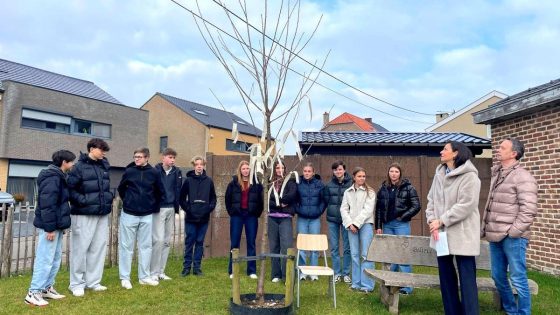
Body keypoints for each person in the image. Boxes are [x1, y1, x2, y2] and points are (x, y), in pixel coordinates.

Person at [481, 138, 538, 315]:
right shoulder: (497, 173)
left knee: (518, 278)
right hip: (495, 235)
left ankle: (523, 312)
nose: (498, 149)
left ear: (514, 153)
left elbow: (528, 210)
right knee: (497, 277)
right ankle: (511, 310)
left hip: (513, 237)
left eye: (502, 147)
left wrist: (513, 232)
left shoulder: (523, 176)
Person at [426, 141, 481, 315]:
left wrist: (441, 220)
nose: (441, 151)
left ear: (456, 153)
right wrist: (431, 221)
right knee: (446, 277)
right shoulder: (439, 174)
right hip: (440, 234)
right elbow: (431, 200)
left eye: (445, 149)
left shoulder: (470, 176)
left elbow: (467, 204)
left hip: (462, 235)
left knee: (467, 280)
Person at [25, 150, 76, 306]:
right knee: (45, 258)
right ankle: (33, 293)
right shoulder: (52, 178)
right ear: (64, 162)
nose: (73, 164)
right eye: (71, 161)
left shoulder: (60, 176)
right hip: (50, 226)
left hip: (57, 225)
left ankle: (46, 288)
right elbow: (47, 204)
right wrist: (49, 228)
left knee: (54, 259)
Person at [67, 138, 113, 297]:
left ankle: (93, 282)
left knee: (98, 248)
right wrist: (84, 201)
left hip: (102, 214)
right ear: (92, 149)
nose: (104, 153)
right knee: (80, 250)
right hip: (83, 214)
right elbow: (70, 190)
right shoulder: (78, 167)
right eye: (102, 150)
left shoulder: (104, 166)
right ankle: (76, 284)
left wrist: (109, 197)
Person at [117, 147, 164, 289]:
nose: (136, 159)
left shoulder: (154, 173)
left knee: (146, 247)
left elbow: (159, 191)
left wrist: (151, 206)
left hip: (146, 215)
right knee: (126, 247)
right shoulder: (129, 171)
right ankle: (125, 278)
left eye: (140, 156)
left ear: (147, 158)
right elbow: (121, 188)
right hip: (129, 214)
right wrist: (128, 201)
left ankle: (144, 277)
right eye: (135, 156)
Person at [375, 162, 421, 295]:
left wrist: (403, 217)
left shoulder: (408, 188)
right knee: (391, 255)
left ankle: (407, 287)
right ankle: (393, 283)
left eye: (396, 171)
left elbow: (416, 205)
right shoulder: (383, 188)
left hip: (401, 224)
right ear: (388, 173)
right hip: (387, 225)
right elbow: (378, 209)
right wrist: (378, 226)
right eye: (391, 171)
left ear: (400, 173)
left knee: (403, 255)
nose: (393, 174)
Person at [225, 160, 263, 279]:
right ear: (240, 170)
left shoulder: (257, 184)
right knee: (234, 243)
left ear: (250, 170)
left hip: (251, 216)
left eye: (247, 168)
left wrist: (256, 213)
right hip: (237, 216)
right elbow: (227, 199)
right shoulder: (233, 183)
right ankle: (233, 270)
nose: (246, 170)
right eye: (243, 169)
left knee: (251, 242)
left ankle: (251, 271)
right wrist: (232, 212)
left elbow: (261, 201)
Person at [340, 167, 375, 293]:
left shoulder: (370, 192)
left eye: (364, 176)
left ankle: (367, 285)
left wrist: (356, 224)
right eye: (359, 176)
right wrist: (350, 224)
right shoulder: (347, 192)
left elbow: (368, 210)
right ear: (354, 177)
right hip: (351, 226)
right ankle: (356, 283)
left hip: (365, 225)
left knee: (366, 255)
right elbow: (343, 209)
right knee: (354, 255)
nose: (362, 178)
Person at [180, 156, 216, 276]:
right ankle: (186, 268)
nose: (199, 166)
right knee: (189, 242)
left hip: (203, 218)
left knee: (200, 242)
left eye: (201, 164)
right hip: (191, 217)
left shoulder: (209, 181)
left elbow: (213, 199)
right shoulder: (188, 181)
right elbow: (181, 198)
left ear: (204, 166)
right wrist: (188, 209)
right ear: (194, 166)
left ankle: (197, 268)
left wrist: (208, 209)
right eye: (197, 164)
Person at [151, 148, 182, 282]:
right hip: (159, 209)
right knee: (157, 241)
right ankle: (153, 272)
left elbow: (178, 190)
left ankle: (161, 272)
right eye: (170, 157)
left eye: (174, 157)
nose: (172, 160)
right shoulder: (155, 171)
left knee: (166, 242)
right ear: (163, 158)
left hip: (171, 209)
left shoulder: (177, 172)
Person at [323, 160, 353, 284]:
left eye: (340, 169)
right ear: (333, 171)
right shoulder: (329, 185)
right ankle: (337, 273)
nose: (338, 171)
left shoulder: (352, 183)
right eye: (335, 170)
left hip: (347, 220)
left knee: (347, 248)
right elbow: (326, 201)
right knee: (334, 247)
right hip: (333, 220)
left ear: (344, 170)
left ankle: (346, 273)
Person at [268, 161, 298, 283]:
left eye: (282, 167)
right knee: (274, 246)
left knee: (286, 247)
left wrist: (279, 202)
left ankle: (287, 275)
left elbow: (291, 196)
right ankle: (276, 274)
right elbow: (266, 200)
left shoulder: (290, 182)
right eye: (277, 167)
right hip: (272, 217)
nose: (279, 170)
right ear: (274, 169)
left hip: (285, 217)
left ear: (285, 169)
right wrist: (280, 204)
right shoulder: (270, 183)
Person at [295, 162, 325, 281]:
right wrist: (299, 210)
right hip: (302, 218)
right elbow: (294, 199)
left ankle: (313, 271)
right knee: (301, 245)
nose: (307, 173)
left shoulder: (319, 184)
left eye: (309, 171)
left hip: (315, 219)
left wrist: (319, 211)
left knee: (314, 245)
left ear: (313, 172)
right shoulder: (298, 184)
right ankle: (302, 271)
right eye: (305, 171)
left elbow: (324, 200)